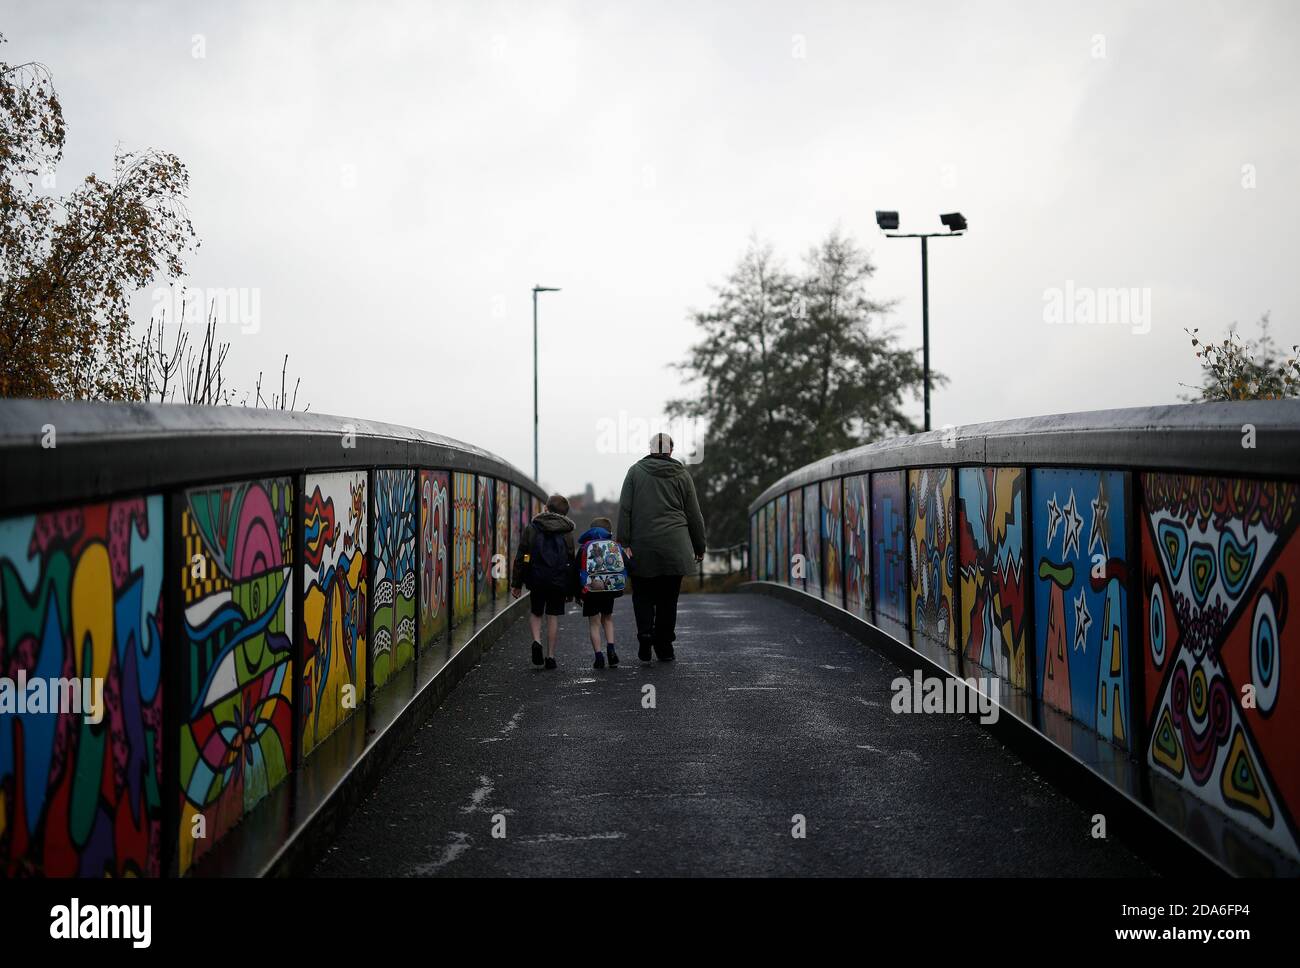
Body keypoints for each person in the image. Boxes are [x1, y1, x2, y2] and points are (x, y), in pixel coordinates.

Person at [617, 432, 707, 662]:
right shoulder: (682, 475)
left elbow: (625, 509)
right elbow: (694, 515)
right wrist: (699, 545)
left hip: (642, 545)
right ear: (671, 450)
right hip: (674, 546)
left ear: (650, 448)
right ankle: (664, 646)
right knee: (669, 598)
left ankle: (645, 635)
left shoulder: (635, 472)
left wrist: (624, 542)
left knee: (643, 595)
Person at [511, 493, 577, 670]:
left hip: (536, 578)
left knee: (536, 612)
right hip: (558, 580)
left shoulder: (533, 527)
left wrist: (517, 582)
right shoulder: (567, 532)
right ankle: (551, 656)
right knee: (553, 616)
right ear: (565, 513)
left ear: (546, 508)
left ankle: (536, 641)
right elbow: (571, 561)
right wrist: (571, 589)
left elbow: (523, 555)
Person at [575, 516, 627, 669]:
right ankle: (611, 650)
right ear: (609, 531)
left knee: (594, 624)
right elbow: (625, 564)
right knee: (608, 619)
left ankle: (599, 657)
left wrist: (577, 593)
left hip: (590, 591)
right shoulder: (614, 546)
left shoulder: (585, 547)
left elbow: (575, 571)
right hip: (609, 589)